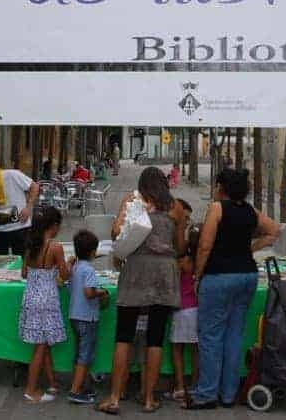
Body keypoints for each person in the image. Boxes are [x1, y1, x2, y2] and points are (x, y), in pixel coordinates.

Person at [186, 168, 281, 409]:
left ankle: (206, 393)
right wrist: (250, 249)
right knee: (234, 336)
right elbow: (274, 231)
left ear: (221, 187)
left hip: (218, 278)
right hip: (247, 276)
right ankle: (228, 394)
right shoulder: (250, 211)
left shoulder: (217, 208)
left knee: (210, 337)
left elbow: (205, 246)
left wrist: (197, 276)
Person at [96, 167, 187, 415]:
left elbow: (115, 233)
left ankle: (114, 398)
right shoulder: (176, 207)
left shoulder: (133, 200)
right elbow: (180, 246)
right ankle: (148, 398)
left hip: (136, 270)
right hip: (164, 274)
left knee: (123, 335)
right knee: (155, 337)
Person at [19, 207, 71, 403]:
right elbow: (65, 276)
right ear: (55, 226)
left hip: (30, 298)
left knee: (44, 343)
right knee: (41, 346)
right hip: (47, 300)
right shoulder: (55, 247)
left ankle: (52, 383)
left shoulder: (31, 245)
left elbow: (24, 273)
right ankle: (31, 390)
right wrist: (70, 266)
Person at [67, 230, 110, 405]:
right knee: (85, 354)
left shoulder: (75, 268)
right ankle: (75, 390)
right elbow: (89, 292)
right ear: (93, 252)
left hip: (75, 316)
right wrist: (102, 292)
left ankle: (78, 384)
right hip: (87, 317)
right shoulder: (89, 270)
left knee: (79, 353)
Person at [167, 224, 201, 403]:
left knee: (177, 349)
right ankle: (195, 385)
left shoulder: (182, 260)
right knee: (195, 350)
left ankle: (180, 386)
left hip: (181, 310)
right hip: (196, 309)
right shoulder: (201, 260)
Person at [0, 164, 39, 256]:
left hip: (20, 227)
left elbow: (34, 187)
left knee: (23, 260)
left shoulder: (12, 175)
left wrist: (28, 207)